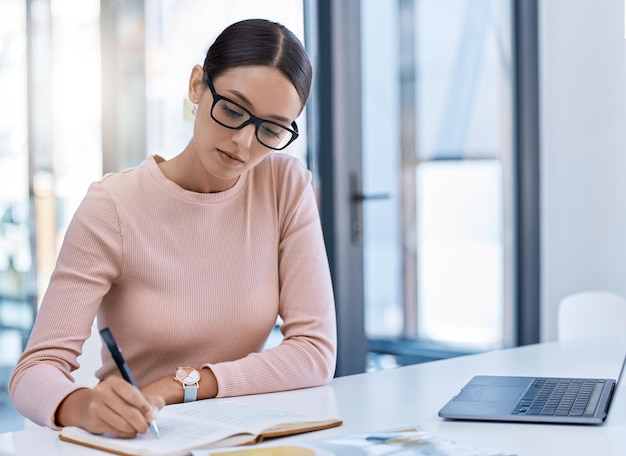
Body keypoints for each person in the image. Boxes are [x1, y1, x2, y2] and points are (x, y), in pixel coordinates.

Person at [9, 18, 336, 438]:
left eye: (270, 129)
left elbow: (314, 351)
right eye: (233, 110)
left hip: (238, 436)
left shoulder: (285, 186)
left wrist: (181, 385)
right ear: (197, 85)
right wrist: (85, 405)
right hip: (141, 438)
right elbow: (33, 372)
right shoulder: (113, 206)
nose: (243, 143)